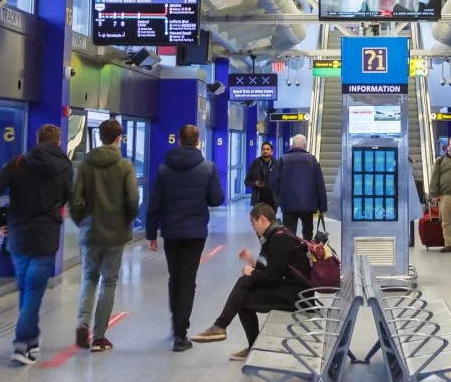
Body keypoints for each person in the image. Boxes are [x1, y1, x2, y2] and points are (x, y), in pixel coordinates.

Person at [0, 123, 73, 366]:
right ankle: (22, 343)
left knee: (26, 288)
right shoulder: (65, 167)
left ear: (37, 139)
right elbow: (69, 196)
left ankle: (31, 338)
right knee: (33, 291)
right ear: (58, 142)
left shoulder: (17, 163)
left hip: (19, 236)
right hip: (46, 236)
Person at [191, 203, 312, 360]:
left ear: (262, 219)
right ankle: (225, 329)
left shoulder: (278, 239)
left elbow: (273, 278)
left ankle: (222, 327)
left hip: (297, 296)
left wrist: (253, 271)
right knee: (244, 291)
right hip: (294, 289)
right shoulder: (280, 234)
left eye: (253, 223)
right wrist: (253, 262)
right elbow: (277, 270)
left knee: (244, 291)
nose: (253, 228)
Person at [146, 123, 225, 352]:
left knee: (175, 277)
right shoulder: (208, 168)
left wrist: (151, 233)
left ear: (179, 140)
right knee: (188, 279)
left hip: (171, 231)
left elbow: (154, 204)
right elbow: (217, 199)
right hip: (196, 232)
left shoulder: (163, 169)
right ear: (197, 141)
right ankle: (182, 333)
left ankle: (175, 323)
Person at [70, 118, 139, 353]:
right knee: (109, 283)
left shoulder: (86, 165)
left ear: (100, 137)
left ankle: (82, 322)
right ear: (119, 138)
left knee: (89, 278)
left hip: (90, 232)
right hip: (115, 234)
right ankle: (98, 337)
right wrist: (126, 221)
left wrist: (83, 222)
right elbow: (133, 199)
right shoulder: (125, 165)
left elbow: (76, 200)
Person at [270, 133, 327, 241]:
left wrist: (280, 198)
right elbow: (319, 184)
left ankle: (290, 253)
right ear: (304, 146)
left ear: (292, 145)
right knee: (307, 232)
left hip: (288, 204)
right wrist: (322, 207)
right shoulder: (312, 160)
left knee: (289, 233)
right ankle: (307, 252)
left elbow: (273, 182)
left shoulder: (283, 159)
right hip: (308, 204)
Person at [245, 141, 277, 207]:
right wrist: (255, 183)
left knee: (270, 217)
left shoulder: (276, 164)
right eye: (263, 149)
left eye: (267, 149)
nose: (265, 151)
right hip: (258, 199)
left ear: (272, 151)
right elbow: (246, 181)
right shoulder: (255, 163)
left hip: (272, 200)